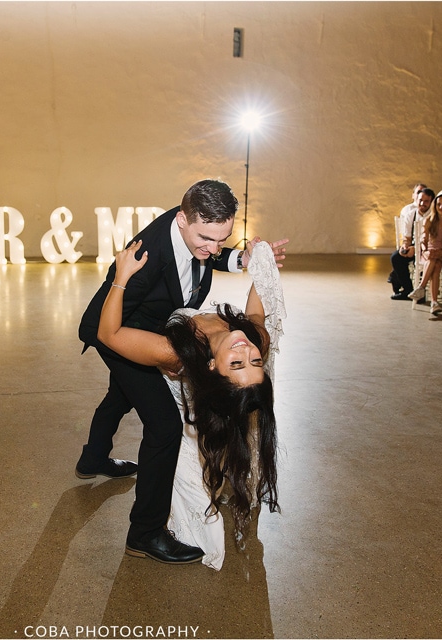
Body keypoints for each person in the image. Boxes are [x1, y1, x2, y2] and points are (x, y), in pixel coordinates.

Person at [76, 178, 288, 565]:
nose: (214, 248)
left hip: (163, 327)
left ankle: (93, 458)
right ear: (181, 219)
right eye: (206, 238)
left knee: (121, 394)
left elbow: (204, 258)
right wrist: (121, 277)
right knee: (165, 426)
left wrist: (247, 260)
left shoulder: (199, 237)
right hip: (122, 330)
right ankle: (144, 533)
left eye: (222, 239)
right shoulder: (146, 255)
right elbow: (113, 329)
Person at [408, 190, 442, 315]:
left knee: (435, 259)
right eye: (438, 204)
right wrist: (424, 251)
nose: (441, 207)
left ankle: (421, 287)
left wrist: (441, 251)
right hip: (429, 253)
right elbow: (423, 240)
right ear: (434, 205)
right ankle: (434, 303)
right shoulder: (429, 220)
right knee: (434, 263)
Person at [389, 185, 435, 300]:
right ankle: (408, 290)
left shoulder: (434, 216)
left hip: (428, 249)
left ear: (431, 202)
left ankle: (421, 292)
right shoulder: (411, 214)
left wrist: (417, 249)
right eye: (420, 200)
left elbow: (432, 240)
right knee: (396, 257)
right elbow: (407, 237)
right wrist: (405, 246)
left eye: (426, 201)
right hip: (413, 246)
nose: (422, 204)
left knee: (420, 262)